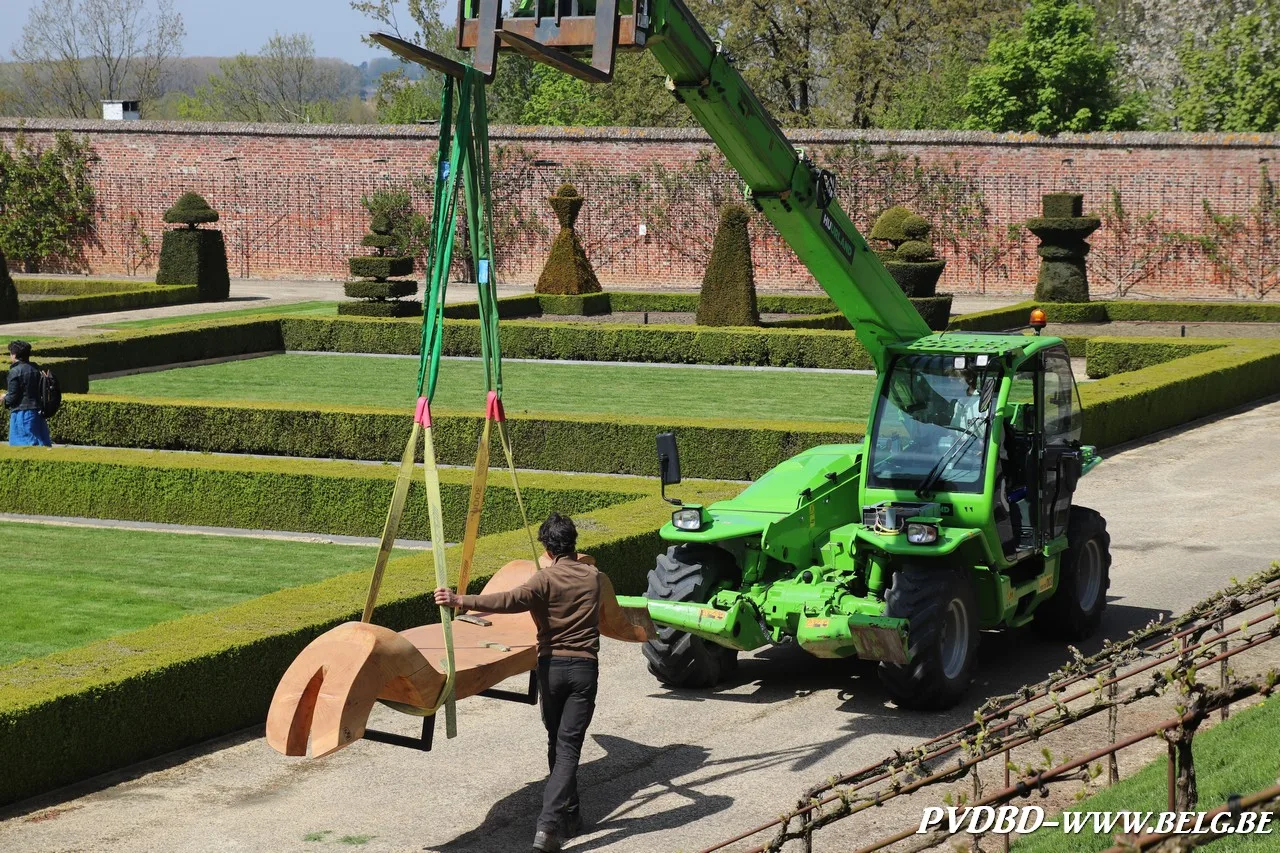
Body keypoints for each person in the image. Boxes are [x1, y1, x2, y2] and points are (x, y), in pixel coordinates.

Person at [434, 513, 600, 853]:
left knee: (557, 743)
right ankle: (558, 821)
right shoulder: (593, 577)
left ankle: (555, 823)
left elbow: (507, 601)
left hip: (551, 668)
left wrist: (459, 601)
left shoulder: (543, 580)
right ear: (573, 542)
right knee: (567, 748)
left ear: (546, 547)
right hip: (584, 669)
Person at [4, 340, 52, 447]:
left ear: (14, 355)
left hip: (22, 413)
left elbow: (12, 397)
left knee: (24, 445)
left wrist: (4, 399)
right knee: (42, 444)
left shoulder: (14, 372)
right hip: (38, 411)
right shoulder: (36, 369)